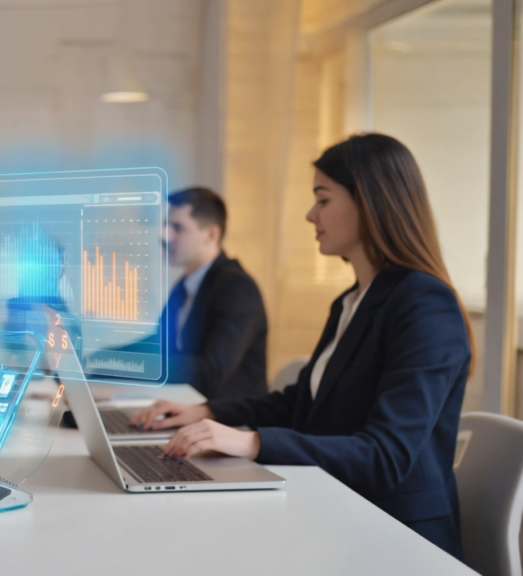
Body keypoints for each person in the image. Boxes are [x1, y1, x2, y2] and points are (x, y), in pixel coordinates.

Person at [132, 133, 473, 559]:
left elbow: (386, 456)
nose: (311, 215)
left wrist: (250, 442)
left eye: (324, 199)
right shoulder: (352, 301)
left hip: (394, 536)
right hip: (336, 507)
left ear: (370, 201)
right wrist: (208, 412)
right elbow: (303, 402)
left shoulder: (424, 304)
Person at [162, 187, 267, 399]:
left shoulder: (236, 288)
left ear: (211, 234)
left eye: (178, 228)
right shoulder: (184, 286)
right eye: (166, 225)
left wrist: (137, 364)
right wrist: (101, 360)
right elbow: (158, 342)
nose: (166, 236)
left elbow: (210, 371)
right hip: (187, 405)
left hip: (230, 421)